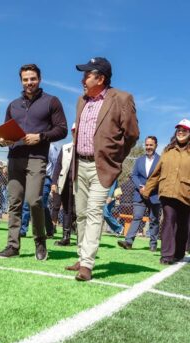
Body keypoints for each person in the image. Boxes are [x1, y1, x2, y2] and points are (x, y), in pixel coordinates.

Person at [64, 57, 139, 281]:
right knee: (80, 213)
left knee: (95, 212)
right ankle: (81, 256)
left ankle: (87, 264)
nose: (82, 79)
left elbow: (132, 134)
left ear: (101, 78)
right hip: (80, 163)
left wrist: (116, 157)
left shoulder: (122, 98)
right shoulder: (81, 100)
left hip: (102, 167)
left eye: (87, 75)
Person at [0, 63, 67, 261]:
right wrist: (2, 140)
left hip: (37, 158)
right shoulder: (13, 105)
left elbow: (62, 129)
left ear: (39, 79)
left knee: (34, 200)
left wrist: (40, 137)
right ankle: (13, 246)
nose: (29, 82)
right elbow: (5, 132)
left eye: (33, 79)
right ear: (21, 81)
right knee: (14, 202)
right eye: (25, 79)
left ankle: (40, 242)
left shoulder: (51, 101)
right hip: (15, 156)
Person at [142, 119, 190, 265]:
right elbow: (157, 172)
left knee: (183, 224)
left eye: (184, 130)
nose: (181, 132)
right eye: (179, 130)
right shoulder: (168, 151)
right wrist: (148, 189)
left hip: (187, 193)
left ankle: (179, 252)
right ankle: (166, 255)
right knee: (168, 220)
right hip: (167, 191)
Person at [118, 136, 161, 252]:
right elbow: (134, 175)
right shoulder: (139, 160)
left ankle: (153, 244)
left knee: (154, 220)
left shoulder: (161, 161)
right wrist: (140, 187)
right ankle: (128, 241)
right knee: (137, 217)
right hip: (139, 194)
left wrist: (149, 188)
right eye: (146, 145)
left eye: (151, 145)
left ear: (156, 145)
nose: (148, 147)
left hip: (154, 195)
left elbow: (162, 177)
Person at [19, 141, 61, 238]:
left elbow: (56, 165)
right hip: (32, 177)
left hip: (46, 178)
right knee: (26, 203)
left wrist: (54, 181)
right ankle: (23, 230)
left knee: (42, 205)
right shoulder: (32, 145)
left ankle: (49, 229)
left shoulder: (51, 148)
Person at [51, 143, 75, 246]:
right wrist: (54, 182)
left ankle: (83, 238)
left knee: (79, 211)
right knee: (67, 209)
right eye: (73, 133)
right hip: (65, 182)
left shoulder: (87, 148)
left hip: (80, 183)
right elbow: (58, 165)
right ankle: (66, 237)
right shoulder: (65, 148)